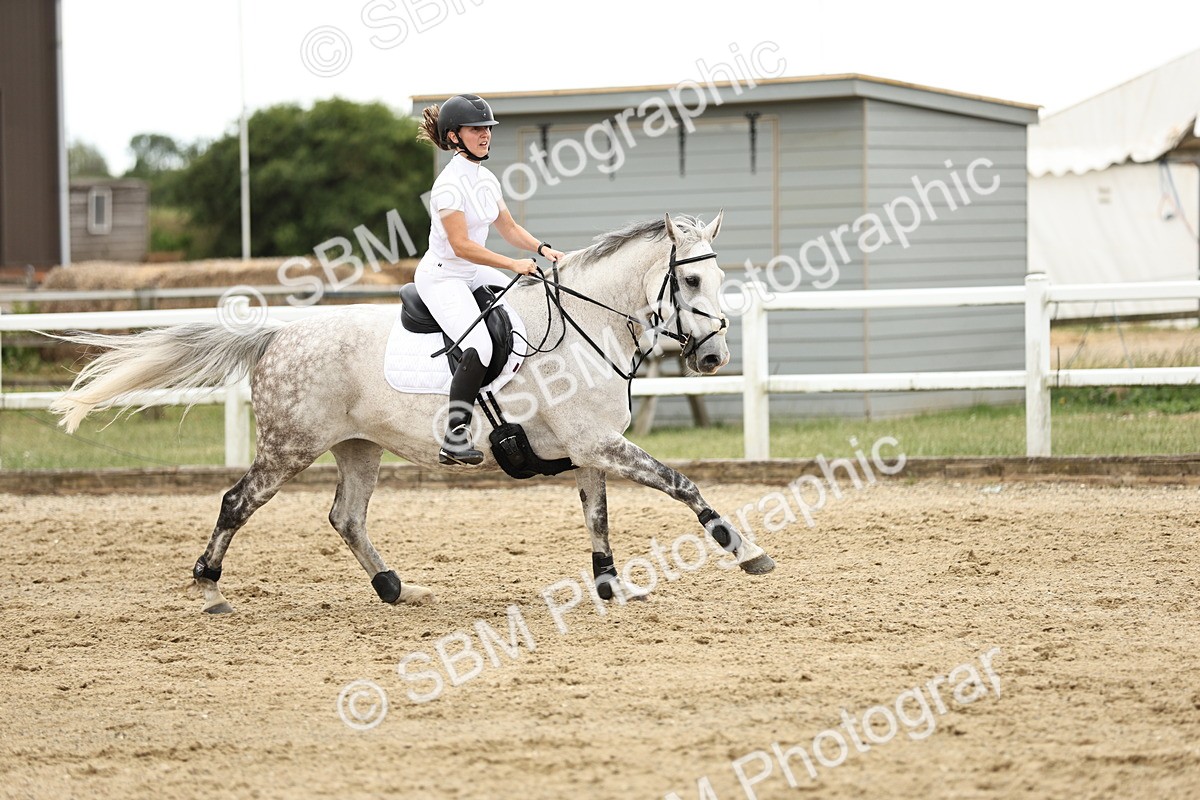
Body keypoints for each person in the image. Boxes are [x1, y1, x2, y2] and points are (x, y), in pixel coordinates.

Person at [415, 94, 565, 466]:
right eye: (476, 129)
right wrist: (512, 265)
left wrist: (543, 248)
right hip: (443, 276)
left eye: (487, 129)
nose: (485, 135)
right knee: (479, 345)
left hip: (471, 270)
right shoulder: (448, 185)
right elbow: (462, 246)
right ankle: (453, 435)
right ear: (453, 137)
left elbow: (509, 229)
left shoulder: (485, 179)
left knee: (521, 313)